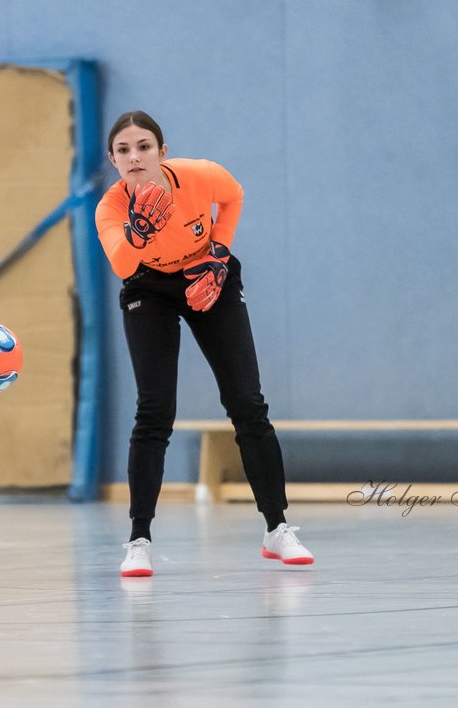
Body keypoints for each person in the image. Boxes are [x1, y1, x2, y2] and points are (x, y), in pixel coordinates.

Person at [95, 111, 312, 577]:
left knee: (247, 402)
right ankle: (139, 540)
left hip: (206, 276)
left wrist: (219, 252)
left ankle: (278, 529)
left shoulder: (198, 176)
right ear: (113, 160)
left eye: (145, 146)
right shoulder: (110, 208)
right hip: (147, 287)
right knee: (154, 410)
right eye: (124, 150)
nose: (135, 157)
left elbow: (233, 197)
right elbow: (120, 263)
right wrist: (139, 232)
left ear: (163, 151)